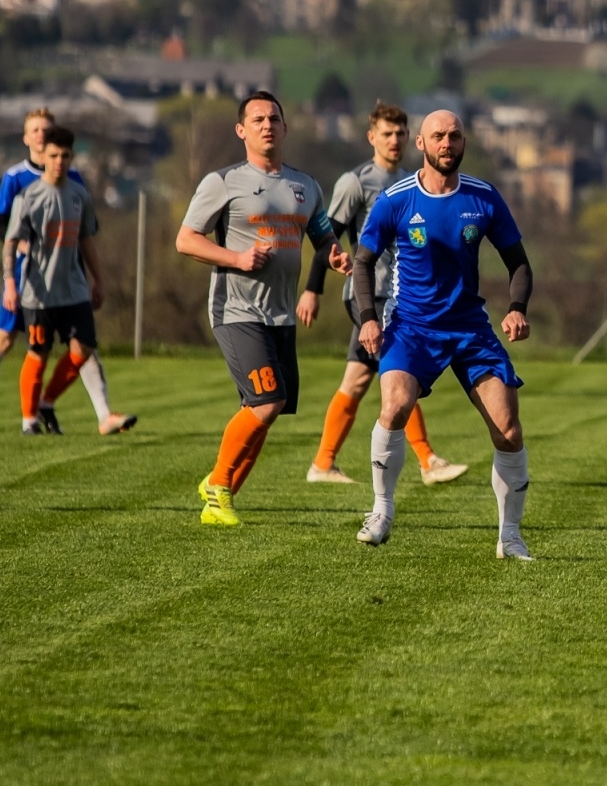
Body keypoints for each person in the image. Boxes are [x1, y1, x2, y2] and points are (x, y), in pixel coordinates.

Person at [351, 110, 535, 560]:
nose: (447, 143)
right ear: (421, 143)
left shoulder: (484, 197)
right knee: (394, 405)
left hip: (470, 328)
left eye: (454, 136)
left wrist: (516, 309)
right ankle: (381, 511)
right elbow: (362, 261)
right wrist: (369, 318)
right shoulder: (395, 201)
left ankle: (510, 537)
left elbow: (519, 263)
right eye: (438, 136)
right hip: (412, 325)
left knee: (508, 430)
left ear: (464, 141)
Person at [176, 91, 349, 527]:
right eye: (257, 119)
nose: (267, 125)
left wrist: (336, 257)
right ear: (242, 131)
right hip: (236, 310)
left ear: (286, 127)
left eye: (274, 118)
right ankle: (217, 489)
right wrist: (237, 258)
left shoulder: (305, 186)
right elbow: (186, 239)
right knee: (267, 401)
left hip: (281, 314)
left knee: (266, 410)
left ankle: (223, 490)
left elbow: (324, 238)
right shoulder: (223, 182)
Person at [299, 102, 466, 486]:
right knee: (400, 366)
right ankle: (428, 460)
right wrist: (312, 289)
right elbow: (328, 240)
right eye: (387, 134)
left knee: (357, 379)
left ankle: (323, 464)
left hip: (405, 296)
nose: (395, 140)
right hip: (369, 295)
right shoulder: (355, 183)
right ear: (371, 137)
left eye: (400, 133)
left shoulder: (416, 181)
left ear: (411, 138)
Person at [0, 108, 135, 435]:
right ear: (30, 140)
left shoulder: (78, 188)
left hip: (72, 285)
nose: (56, 156)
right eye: (37, 132)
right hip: (32, 284)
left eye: (64, 154)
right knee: (13, 345)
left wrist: (98, 279)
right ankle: (30, 419)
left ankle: (74, 408)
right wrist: (11, 279)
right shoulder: (20, 185)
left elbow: (87, 237)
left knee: (85, 347)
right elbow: (4, 231)